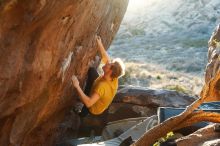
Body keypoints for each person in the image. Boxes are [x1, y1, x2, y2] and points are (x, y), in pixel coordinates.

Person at [71, 36, 125, 117]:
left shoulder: (102, 86)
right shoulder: (114, 77)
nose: (108, 63)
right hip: (96, 88)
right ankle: (83, 96)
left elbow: (89, 103)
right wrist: (99, 43)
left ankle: (82, 114)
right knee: (92, 71)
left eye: (109, 65)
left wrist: (77, 86)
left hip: (93, 108)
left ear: (110, 71)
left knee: (85, 109)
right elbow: (105, 57)